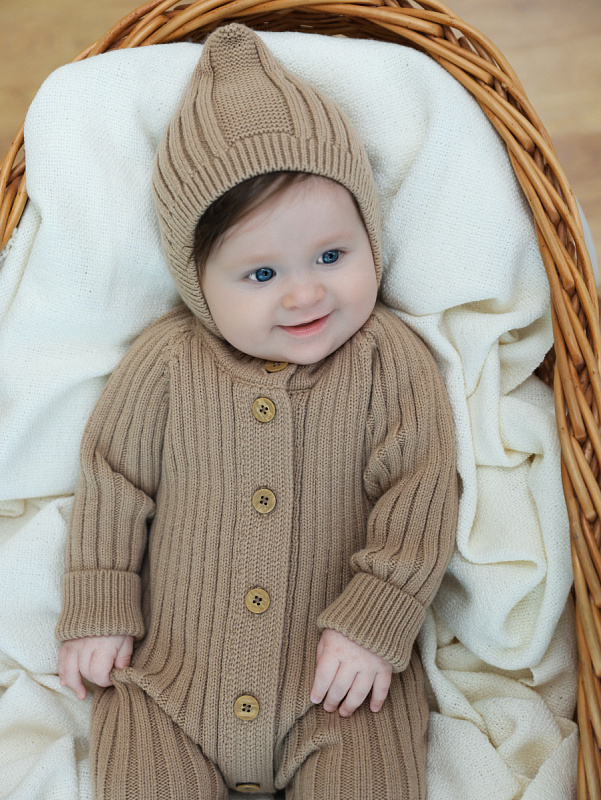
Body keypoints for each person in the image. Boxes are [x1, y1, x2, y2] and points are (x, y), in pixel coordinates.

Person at [56, 23, 458, 800]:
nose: (304, 293)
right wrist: (100, 604)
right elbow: (112, 480)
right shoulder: (165, 362)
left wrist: (374, 620)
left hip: (341, 691)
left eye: (332, 256)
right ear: (197, 280)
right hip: (168, 687)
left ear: (370, 236)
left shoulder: (388, 361)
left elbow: (419, 493)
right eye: (261, 273)